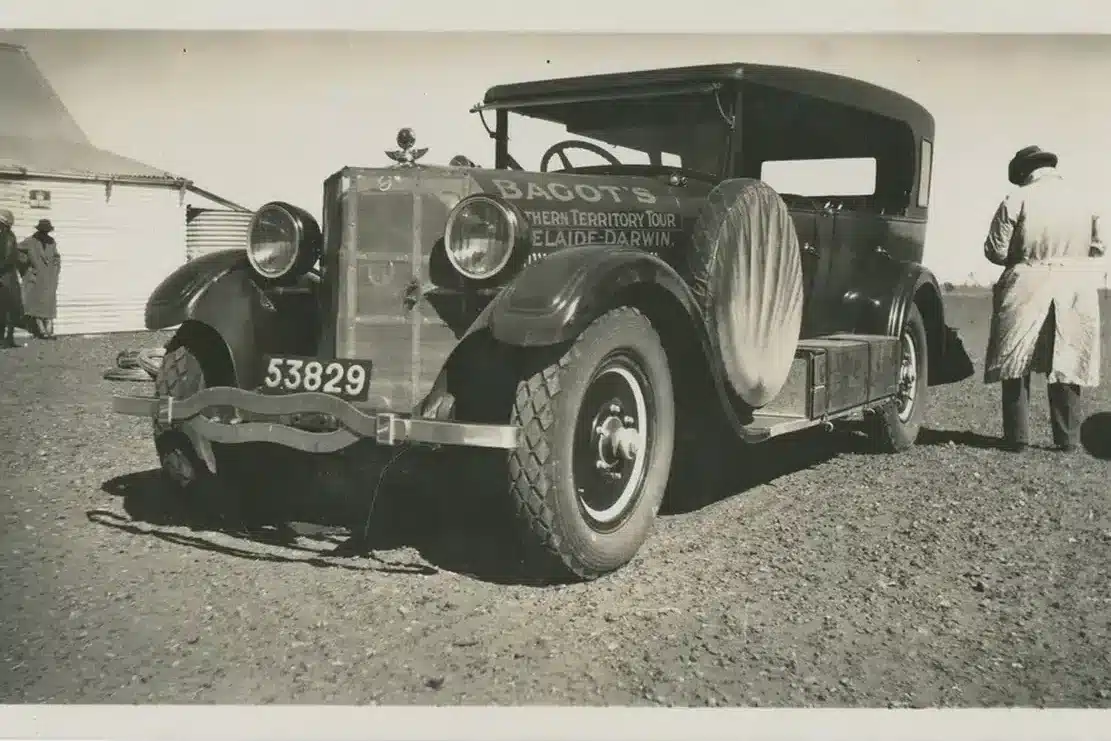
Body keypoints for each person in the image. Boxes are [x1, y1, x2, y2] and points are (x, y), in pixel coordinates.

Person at [982, 145, 1105, 452]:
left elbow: (995, 250)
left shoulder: (1017, 198)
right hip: (1076, 282)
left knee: (1015, 360)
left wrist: (1027, 255)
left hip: (1027, 279)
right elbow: (1099, 246)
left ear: (1024, 172)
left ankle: (1017, 438)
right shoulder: (1085, 199)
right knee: (1067, 356)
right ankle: (1067, 439)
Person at [19, 218, 61, 340]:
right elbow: (16, 251)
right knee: (36, 303)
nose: (45, 233)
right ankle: (42, 331)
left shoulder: (51, 242)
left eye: (47, 231)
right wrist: (27, 265)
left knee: (49, 304)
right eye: (43, 231)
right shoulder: (30, 241)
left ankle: (49, 331)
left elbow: (56, 258)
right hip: (36, 278)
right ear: (39, 230)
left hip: (49, 278)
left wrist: (55, 270)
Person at [0, 209, 25, 348]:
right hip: (7, 277)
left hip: (6, 277)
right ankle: (7, 339)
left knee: (7, 309)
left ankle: (7, 339)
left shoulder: (8, 237)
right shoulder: (8, 236)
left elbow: (9, 258)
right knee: (9, 309)